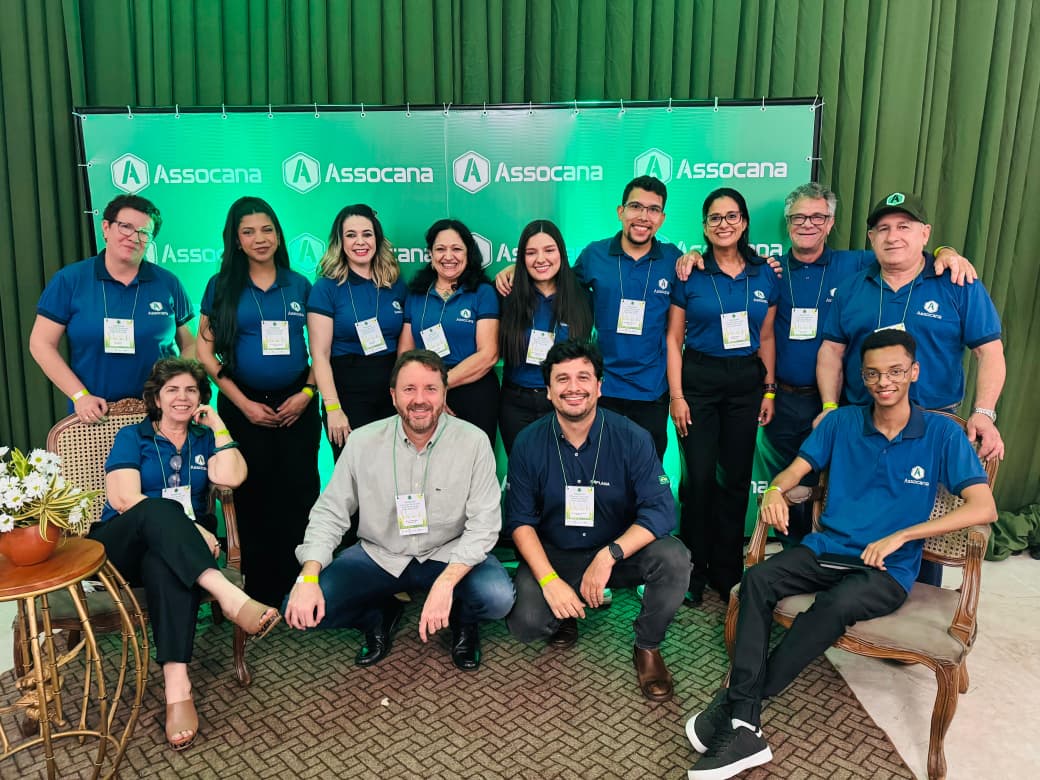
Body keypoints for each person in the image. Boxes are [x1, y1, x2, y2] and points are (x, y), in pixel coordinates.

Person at [684, 329, 996, 779]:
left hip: (886, 569)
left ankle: (738, 704)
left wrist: (904, 535)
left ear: (913, 372)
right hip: (828, 548)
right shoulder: (841, 422)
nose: (884, 382)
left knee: (834, 606)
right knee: (757, 579)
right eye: (873, 374)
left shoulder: (941, 433)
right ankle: (746, 722)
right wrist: (773, 491)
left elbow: (983, 507)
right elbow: (795, 471)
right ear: (862, 377)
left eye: (895, 371)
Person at [759, 182, 976, 542]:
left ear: (831, 223)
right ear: (787, 222)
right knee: (791, 486)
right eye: (798, 217)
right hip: (788, 400)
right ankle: (800, 554)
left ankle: (881, 560)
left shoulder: (856, 263)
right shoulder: (771, 269)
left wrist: (947, 252)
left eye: (818, 217)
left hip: (849, 405)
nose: (808, 224)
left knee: (871, 494)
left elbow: (905, 250)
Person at [89, 358, 280, 751]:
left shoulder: (203, 438)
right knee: (161, 509)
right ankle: (230, 597)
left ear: (200, 397)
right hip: (121, 548)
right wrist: (191, 527)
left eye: (191, 390)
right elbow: (123, 498)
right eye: (172, 389)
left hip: (174, 556)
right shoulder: (132, 436)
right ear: (157, 398)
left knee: (164, 564)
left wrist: (219, 425)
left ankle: (178, 691)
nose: (182, 397)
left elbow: (233, 477)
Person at [283, 350, 515, 671]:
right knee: (300, 608)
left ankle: (463, 619)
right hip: (379, 555)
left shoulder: (473, 442)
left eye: (430, 389)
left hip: (448, 553)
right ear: (393, 396)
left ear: (444, 394)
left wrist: (447, 583)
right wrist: (308, 576)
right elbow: (331, 512)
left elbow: (485, 524)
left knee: (498, 597)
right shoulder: (362, 442)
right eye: (409, 389)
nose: (420, 399)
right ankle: (377, 614)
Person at [817, 191, 1004, 586]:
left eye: (904, 226)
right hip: (865, 425)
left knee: (924, 528)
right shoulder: (852, 288)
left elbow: (989, 352)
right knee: (860, 519)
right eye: (883, 228)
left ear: (925, 234)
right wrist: (830, 407)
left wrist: (984, 412)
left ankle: (915, 601)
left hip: (931, 427)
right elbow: (832, 351)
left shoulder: (957, 282)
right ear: (871, 238)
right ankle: (848, 602)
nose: (893, 236)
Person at [505, 339, 689, 701]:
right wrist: (550, 581)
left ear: (599, 386)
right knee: (526, 624)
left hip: (617, 551)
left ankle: (647, 647)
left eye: (583, 377)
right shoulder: (528, 442)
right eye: (562, 379)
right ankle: (566, 608)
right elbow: (520, 521)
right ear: (549, 391)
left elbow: (661, 510)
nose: (573, 387)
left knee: (674, 558)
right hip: (557, 554)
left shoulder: (632, 437)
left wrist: (609, 555)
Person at [497, 176, 680, 460]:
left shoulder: (673, 259)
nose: (644, 216)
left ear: (662, 218)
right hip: (602, 388)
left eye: (653, 209)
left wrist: (695, 254)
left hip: (651, 391)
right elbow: (557, 277)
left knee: (647, 470)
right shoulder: (595, 255)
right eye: (635, 206)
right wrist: (516, 268)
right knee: (598, 470)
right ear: (620, 211)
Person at [196, 196, 321, 607]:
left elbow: (321, 351)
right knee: (252, 492)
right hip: (242, 404)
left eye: (267, 229)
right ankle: (260, 586)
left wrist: (307, 394)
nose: (260, 238)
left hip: (297, 405)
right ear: (236, 240)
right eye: (248, 232)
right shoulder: (220, 287)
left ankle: (301, 582)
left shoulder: (300, 285)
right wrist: (244, 404)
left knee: (299, 489)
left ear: (278, 235)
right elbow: (205, 353)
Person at [667, 187, 778, 606]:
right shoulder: (690, 272)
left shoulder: (765, 273)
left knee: (735, 479)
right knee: (697, 480)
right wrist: (677, 396)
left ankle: (727, 569)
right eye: (715, 217)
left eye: (732, 216)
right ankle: (691, 571)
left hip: (746, 382)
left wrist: (769, 389)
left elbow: (767, 336)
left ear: (744, 222)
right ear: (704, 226)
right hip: (698, 379)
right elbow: (673, 338)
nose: (724, 224)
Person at [30, 194, 195, 423]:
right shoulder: (70, 280)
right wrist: (80, 396)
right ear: (106, 228)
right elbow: (41, 343)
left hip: (159, 415)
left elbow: (191, 345)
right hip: (94, 414)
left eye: (144, 232)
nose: (133, 237)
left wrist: (174, 390)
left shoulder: (168, 283)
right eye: (125, 227)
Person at [308, 204, 408, 459]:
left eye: (367, 234)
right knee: (355, 474)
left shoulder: (395, 283)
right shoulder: (326, 288)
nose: (360, 242)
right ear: (340, 242)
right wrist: (333, 408)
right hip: (347, 394)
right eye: (351, 235)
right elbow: (319, 354)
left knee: (394, 471)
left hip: (391, 392)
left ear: (377, 239)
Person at [399, 219, 500, 446]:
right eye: (440, 249)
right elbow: (405, 354)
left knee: (474, 461)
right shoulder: (416, 294)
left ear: (468, 253)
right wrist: (427, 391)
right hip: (424, 395)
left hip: (474, 392)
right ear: (431, 254)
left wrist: (439, 386)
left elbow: (488, 355)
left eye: (456, 249)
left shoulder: (482, 292)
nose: (448, 256)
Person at [498, 220, 592, 454]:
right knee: (522, 467)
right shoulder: (506, 294)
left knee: (565, 467)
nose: (541, 259)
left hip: (565, 401)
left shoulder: (582, 296)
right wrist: (512, 269)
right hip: (516, 403)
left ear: (561, 252)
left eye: (549, 250)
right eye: (531, 253)